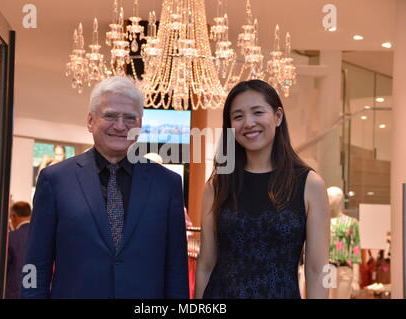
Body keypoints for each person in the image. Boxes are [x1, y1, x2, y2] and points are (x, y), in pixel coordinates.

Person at [21, 76, 188, 299]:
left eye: (130, 118)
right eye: (110, 115)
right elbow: (35, 264)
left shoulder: (167, 184)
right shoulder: (55, 179)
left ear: (139, 125)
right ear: (90, 120)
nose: (120, 126)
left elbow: (176, 269)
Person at [194, 80, 330, 299]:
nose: (248, 123)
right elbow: (206, 264)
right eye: (238, 116)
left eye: (258, 112)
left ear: (278, 116)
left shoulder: (310, 184)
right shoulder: (217, 185)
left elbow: (317, 269)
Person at [5, 202, 32, 299]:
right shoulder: (42, 237)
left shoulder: (11, 238)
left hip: (14, 292)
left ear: (13, 216)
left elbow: (4, 268)